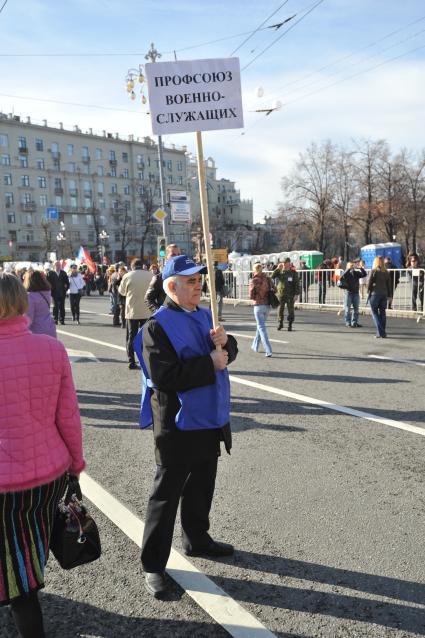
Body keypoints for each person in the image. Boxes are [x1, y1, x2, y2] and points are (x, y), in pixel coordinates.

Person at [134, 255, 238, 598]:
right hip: (176, 424)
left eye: (198, 280)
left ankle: (197, 539)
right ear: (171, 286)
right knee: (165, 496)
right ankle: (153, 565)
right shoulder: (156, 326)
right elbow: (164, 376)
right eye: (190, 281)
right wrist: (209, 362)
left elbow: (227, 351)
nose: (198, 286)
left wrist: (227, 343)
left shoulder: (207, 314)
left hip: (208, 419)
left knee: (202, 485)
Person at [0, 273, 85, 638]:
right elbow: (68, 415)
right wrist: (76, 465)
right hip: (48, 472)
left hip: (4, 482)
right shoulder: (51, 348)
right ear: (23, 302)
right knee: (28, 553)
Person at [118, 258, 152, 369]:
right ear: (142, 266)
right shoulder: (150, 275)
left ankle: (131, 361)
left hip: (132, 311)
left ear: (132, 266)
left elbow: (122, 292)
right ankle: (145, 360)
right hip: (147, 311)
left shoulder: (127, 276)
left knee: (131, 336)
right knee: (145, 337)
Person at [144, 243, 181, 313]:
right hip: (167, 320)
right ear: (166, 257)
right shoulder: (159, 278)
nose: (177, 257)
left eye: (179, 254)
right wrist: (160, 313)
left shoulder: (185, 275)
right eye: (173, 255)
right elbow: (148, 299)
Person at [249, 262, 273, 356]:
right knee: (260, 326)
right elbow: (275, 289)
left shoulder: (254, 280)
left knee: (261, 328)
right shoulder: (267, 278)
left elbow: (251, 295)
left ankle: (268, 350)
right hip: (267, 306)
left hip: (258, 306)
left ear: (254, 270)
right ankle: (255, 346)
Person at [23, 269, 56, 338]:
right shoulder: (47, 292)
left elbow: (28, 318)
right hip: (50, 326)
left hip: (36, 331)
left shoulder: (29, 296)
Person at [272, 258, 300, 331]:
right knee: (280, 309)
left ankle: (290, 324)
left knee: (290, 310)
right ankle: (280, 323)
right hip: (281, 293)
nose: (283, 264)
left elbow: (296, 284)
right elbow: (271, 276)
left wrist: (296, 294)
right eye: (283, 263)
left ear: (289, 263)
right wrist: (277, 269)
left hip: (290, 294)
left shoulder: (293, 273)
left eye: (285, 263)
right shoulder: (280, 272)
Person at [367, 256, 392, 338]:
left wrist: (368, 290)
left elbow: (369, 282)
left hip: (375, 294)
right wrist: (390, 295)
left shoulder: (373, 271)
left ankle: (381, 333)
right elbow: (389, 285)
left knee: (374, 313)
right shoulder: (386, 272)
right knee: (382, 313)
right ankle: (381, 332)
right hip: (384, 294)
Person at [340, 260, 367, 328]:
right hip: (348, 292)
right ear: (347, 266)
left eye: (353, 265)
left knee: (356, 309)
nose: (352, 266)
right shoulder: (345, 273)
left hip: (355, 293)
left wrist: (360, 268)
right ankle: (348, 322)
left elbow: (364, 274)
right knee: (347, 309)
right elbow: (341, 277)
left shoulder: (355, 273)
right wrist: (348, 269)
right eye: (350, 265)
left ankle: (354, 322)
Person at [46, 260, 69, 325]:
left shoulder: (63, 273)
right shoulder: (50, 273)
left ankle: (62, 319)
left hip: (62, 292)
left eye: (59, 265)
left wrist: (66, 287)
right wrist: (50, 288)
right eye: (56, 265)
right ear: (54, 266)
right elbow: (47, 283)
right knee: (55, 306)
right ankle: (55, 319)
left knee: (62, 306)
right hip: (54, 293)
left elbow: (67, 282)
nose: (58, 266)